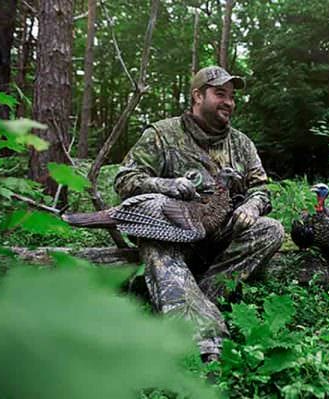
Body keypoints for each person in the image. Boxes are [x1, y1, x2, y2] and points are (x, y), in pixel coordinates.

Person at [114, 66, 284, 360]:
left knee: (270, 229)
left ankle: (196, 296)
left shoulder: (241, 144)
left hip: (219, 237)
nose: (229, 102)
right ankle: (203, 336)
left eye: (232, 97)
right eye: (220, 94)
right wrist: (163, 184)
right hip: (171, 236)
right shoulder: (162, 134)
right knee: (155, 237)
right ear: (197, 96)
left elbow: (261, 188)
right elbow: (124, 179)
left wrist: (252, 206)